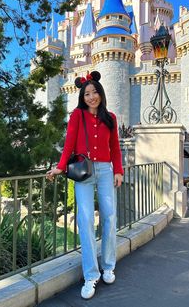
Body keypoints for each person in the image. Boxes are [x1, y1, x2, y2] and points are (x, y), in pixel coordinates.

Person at [46, 71, 123, 299]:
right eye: (87, 94)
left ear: (101, 94)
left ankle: (108, 266)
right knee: (86, 219)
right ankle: (91, 274)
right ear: (82, 96)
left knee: (109, 217)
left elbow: (115, 147)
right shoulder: (77, 115)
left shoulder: (111, 117)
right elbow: (69, 142)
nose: (91, 97)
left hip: (106, 171)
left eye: (95, 92)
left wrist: (118, 170)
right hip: (84, 172)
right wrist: (60, 166)